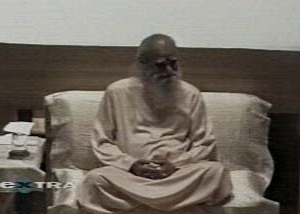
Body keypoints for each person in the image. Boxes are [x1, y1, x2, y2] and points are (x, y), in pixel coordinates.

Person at [76, 34, 233, 213]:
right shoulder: (117, 92)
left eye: (173, 63)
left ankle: (142, 202)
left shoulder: (191, 94)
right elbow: (102, 141)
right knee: (95, 181)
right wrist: (131, 164)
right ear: (142, 63)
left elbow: (204, 142)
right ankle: (173, 202)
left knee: (216, 173)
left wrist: (176, 164)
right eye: (160, 65)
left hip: (176, 174)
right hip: (130, 175)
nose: (169, 71)